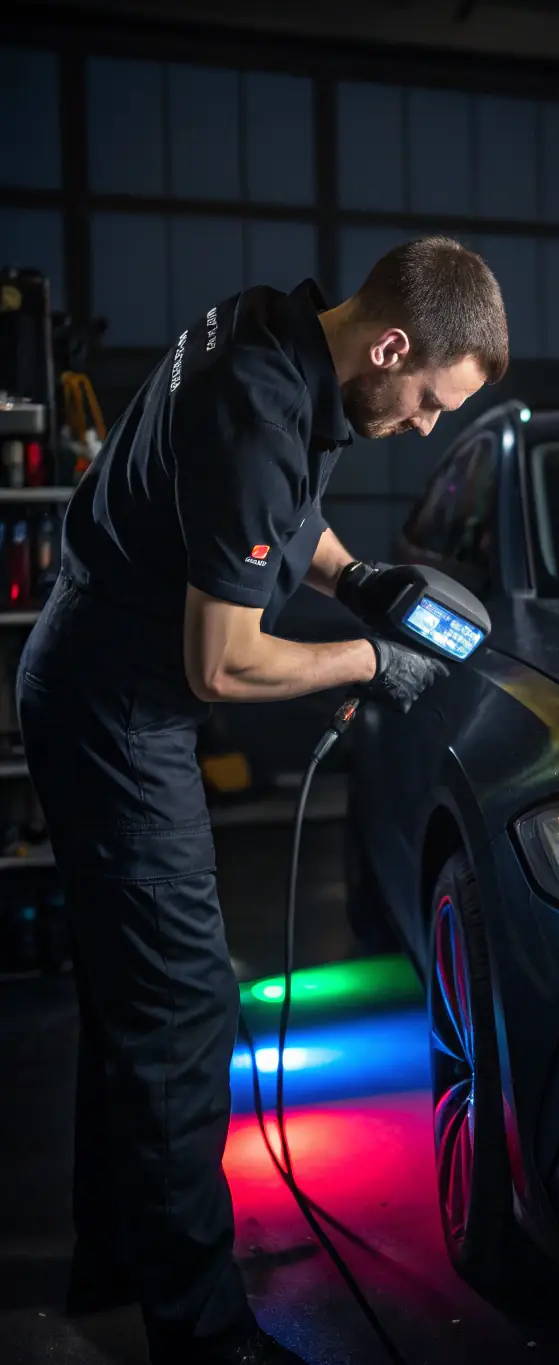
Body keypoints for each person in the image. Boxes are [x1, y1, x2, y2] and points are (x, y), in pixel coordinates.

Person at [16, 237, 508, 1365]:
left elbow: (280, 514)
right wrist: (371, 664)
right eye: (430, 400)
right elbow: (224, 666)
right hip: (118, 710)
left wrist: (357, 580)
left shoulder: (274, 335)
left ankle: (115, 1262)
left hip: (94, 680)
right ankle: (200, 1333)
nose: (428, 426)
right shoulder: (255, 405)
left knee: (131, 1000)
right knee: (185, 1012)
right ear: (393, 346)